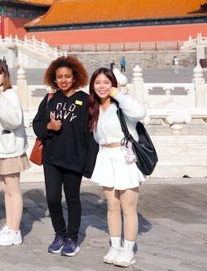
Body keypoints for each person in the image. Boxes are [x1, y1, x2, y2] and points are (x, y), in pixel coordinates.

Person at [32, 55, 97, 257]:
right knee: (52, 198)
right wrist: (48, 127)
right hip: (52, 159)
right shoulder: (50, 99)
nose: (63, 80)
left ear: (75, 77)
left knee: (72, 199)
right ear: (54, 78)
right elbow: (36, 126)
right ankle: (59, 234)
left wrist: (89, 164)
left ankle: (72, 238)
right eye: (59, 76)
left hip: (74, 159)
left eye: (67, 76)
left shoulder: (85, 101)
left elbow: (91, 135)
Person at [87, 68, 146, 267]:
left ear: (113, 84)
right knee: (112, 206)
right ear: (92, 86)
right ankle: (115, 246)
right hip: (106, 158)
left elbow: (140, 112)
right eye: (97, 82)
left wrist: (118, 94)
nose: (102, 86)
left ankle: (128, 250)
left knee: (128, 208)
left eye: (106, 82)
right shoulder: (94, 108)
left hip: (124, 157)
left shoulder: (121, 105)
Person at [0, 58, 30, 247]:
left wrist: (0, 102)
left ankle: (15, 230)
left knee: (13, 191)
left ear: (5, 75)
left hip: (10, 149)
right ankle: (10, 225)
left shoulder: (9, 94)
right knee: (6, 190)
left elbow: (14, 121)